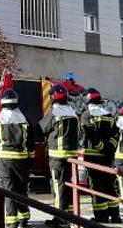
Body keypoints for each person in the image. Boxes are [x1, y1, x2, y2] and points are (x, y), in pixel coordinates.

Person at [0, 89, 34, 228]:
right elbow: (30, 141)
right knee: (22, 189)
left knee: (8, 190)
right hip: (21, 159)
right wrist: (30, 157)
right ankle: (23, 219)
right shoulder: (24, 118)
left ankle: (11, 222)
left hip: (4, 160)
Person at [39, 84, 79, 228]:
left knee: (58, 186)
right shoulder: (73, 112)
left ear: (52, 98)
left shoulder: (54, 113)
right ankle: (70, 215)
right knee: (69, 187)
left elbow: (42, 128)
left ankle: (59, 217)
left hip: (57, 157)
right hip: (72, 156)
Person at [79, 88, 121, 223]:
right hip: (108, 157)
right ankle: (115, 216)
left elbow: (90, 134)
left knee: (96, 186)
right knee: (109, 185)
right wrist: (109, 148)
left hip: (93, 156)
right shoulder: (109, 115)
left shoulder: (86, 115)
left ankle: (101, 216)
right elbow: (116, 134)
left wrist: (101, 147)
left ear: (87, 100)